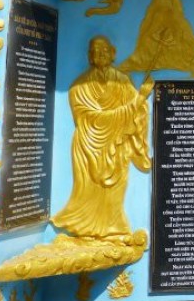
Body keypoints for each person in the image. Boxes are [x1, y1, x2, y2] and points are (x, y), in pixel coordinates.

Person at [51, 36, 153, 239]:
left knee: (116, 189)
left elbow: (137, 112)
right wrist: (140, 98)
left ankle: (114, 227)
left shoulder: (122, 81)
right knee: (88, 192)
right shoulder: (79, 87)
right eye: (95, 51)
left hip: (117, 146)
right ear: (90, 56)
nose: (100, 54)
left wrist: (138, 101)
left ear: (112, 53)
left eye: (105, 50)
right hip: (89, 146)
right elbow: (89, 119)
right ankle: (85, 229)